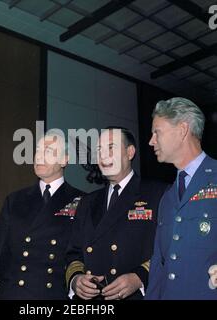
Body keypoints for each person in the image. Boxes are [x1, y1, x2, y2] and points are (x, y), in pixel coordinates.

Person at [65, 127, 166, 300]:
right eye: (99, 150)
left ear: (130, 152)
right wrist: (76, 279)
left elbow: (167, 249)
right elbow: (73, 252)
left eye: (110, 147)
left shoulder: (158, 194)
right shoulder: (87, 201)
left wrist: (139, 277)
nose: (103, 155)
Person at [0, 131, 83, 300]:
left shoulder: (82, 201)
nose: (39, 156)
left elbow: (80, 255)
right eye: (38, 151)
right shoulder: (15, 200)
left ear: (64, 159)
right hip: (13, 293)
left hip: (52, 295)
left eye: (48, 151)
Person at [146, 97, 217, 300]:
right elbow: (159, 263)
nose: (151, 141)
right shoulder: (167, 197)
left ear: (182, 130)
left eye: (156, 132)